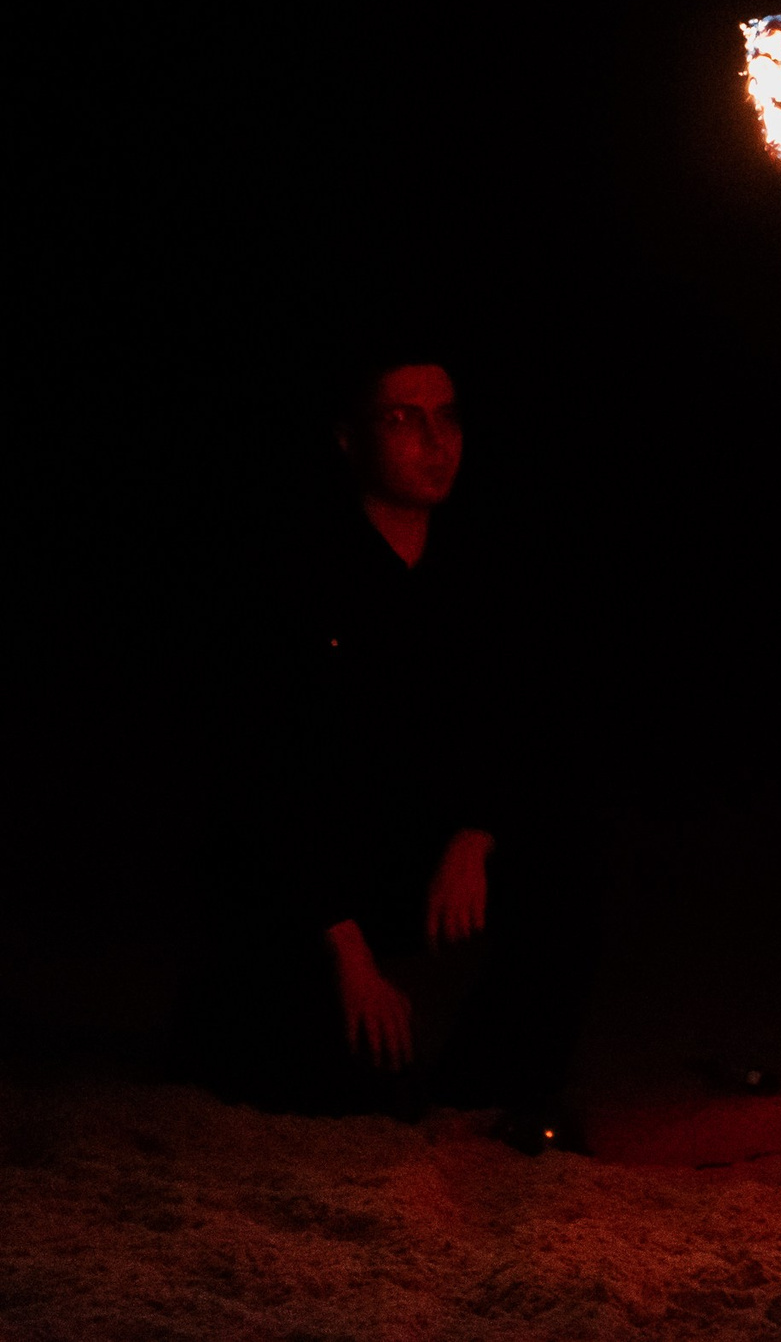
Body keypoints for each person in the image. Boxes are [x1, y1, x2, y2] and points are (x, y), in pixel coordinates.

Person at [194, 354, 591, 1152]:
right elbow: (265, 780)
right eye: (402, 418)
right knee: (324, 1072)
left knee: (567, 863)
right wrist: (345, 950)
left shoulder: (481, 579)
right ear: (349, 440)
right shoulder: (299, 581)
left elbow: (522, 732)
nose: (434, 439)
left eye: (446, 416)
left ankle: (473, 1076)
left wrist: (476, 835)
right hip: (321, 897)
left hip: (419, 875)